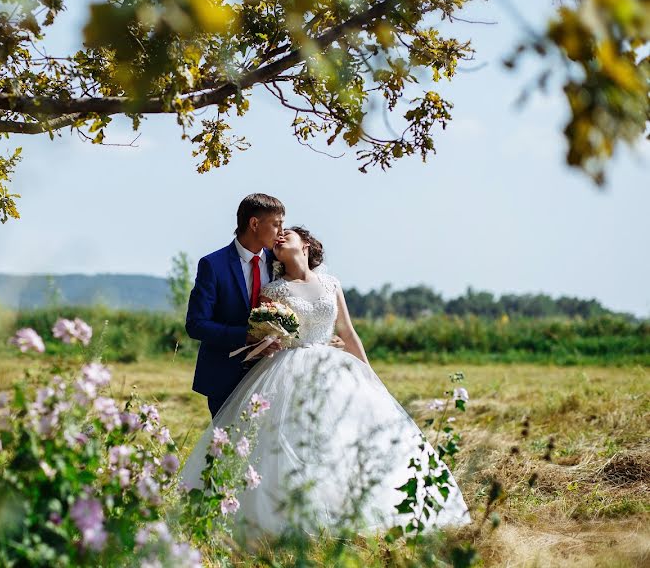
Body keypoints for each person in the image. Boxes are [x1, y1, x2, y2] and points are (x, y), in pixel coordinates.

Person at [180, 227, 471, 539]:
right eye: (276, 238)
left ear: (306, 244)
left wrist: (368, 373)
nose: (279, 237)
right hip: (287, 368)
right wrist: (271, 342)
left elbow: (347, 332)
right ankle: (288, 521)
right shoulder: (274, 290)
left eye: (287, 233)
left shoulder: (331, 284)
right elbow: (263, 334)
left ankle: (354, 511)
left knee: (343, 439)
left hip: (334, 367)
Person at [185, 193, 286, 418]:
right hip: (224, 376)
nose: (281, 232)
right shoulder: (213, 265)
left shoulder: (280, 262)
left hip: (272, 375)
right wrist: (247, 336)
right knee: (228, 448)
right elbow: (196, 324)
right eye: (276, 224)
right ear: (254, 223)